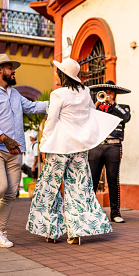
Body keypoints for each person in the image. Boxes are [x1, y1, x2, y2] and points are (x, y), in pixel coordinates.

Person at [26, 58, 121, 245]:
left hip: (60, 148)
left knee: (50, 189)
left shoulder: (58, 94)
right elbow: (92, 115)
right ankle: (76, 232)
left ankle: (52, 232)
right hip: (79, 149)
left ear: (63, 75)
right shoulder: (85, 92)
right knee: (79, 190)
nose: (56, 74)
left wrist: (44, 146)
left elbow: (51, 122)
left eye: (58, 71)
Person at [0, 54, 48, 248]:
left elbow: (32, 107)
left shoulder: (14, 94)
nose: (13, 71)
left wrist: (58, 101)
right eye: (10, 67)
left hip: (14, 151)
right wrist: (5, 139)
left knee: (12, 193)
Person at [88, 81, 131, 223]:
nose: (107, 95)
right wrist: (96, 106)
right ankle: (90, 212)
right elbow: (87, 120)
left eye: (110, 92)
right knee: (92, 179)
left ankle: (115, 213)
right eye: (105, 92)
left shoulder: (122, 108)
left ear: (114, 95)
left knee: (113, 179)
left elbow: (126, 117)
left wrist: (112, 104)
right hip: (97, 146)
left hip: (114, 146)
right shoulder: (97, 108)